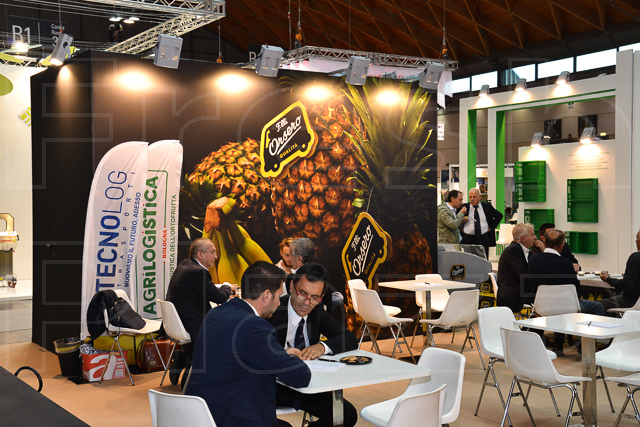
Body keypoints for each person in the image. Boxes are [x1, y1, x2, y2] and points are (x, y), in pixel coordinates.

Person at [186, 261, 311, 427]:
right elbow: (301, 377)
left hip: (199, 414)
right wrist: (292, 357)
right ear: (267, 295)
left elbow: (239, 352)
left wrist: (280, 354)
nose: (279, 303)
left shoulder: (216, 313)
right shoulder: (254, 326)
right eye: (278, 296)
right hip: (229, 417)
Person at [269, 263, 358, 427]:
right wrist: (282, 356)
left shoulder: (317, 312)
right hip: (273, 386)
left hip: (308, 385)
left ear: (321, 297)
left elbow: (349, 338)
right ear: (292, 287)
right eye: (303, 293)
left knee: (346, 415)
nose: (307, 302)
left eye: (315, 297)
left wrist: (322, 347)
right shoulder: (272, 310)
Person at [165, 237, 234, 386]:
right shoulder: (198, 272)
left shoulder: (186, 265)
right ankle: (191, 367)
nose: (216, 256)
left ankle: (184, 355)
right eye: (212, 252)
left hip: (179, 321)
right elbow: (220, 298)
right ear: (200, 254)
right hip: (191, 322)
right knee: (226, 329)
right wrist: (227, 286)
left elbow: (205, 291)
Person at [526, 229, 605, 354]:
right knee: (597, 307)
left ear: (544, 242)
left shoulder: (532, 260)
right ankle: (584, 346)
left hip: (540, 305)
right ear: (562, 245)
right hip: (564, 306)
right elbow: (575, 289)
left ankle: (558, 345)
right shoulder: (566, 263)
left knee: (560, 305)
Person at [496, 223, 543, 313]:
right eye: (532, 235)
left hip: (522, 292)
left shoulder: (525, 251)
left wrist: (543, 250)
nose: (535, 237)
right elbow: (524, 274)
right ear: (523, 238)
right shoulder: (513, 250)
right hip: (513, 296)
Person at [599, 229, 640, 312]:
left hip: (631, 301)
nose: (635, 241)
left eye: (637, 238)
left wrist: (607, 279)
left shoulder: (635, 257)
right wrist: (629, 276)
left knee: (595, 306)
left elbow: (626, 286)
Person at [460, 187, 503, 258]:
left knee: (483, 259)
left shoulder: (487, 206)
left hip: (483, 238)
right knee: (468, 259)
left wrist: (491, 227)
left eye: (474, 197)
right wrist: (461, 227)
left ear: (480, 197)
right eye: (470, 197)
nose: (472, 199)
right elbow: (456, 218)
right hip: (468, 238)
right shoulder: (464, 207)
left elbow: (499, 215)